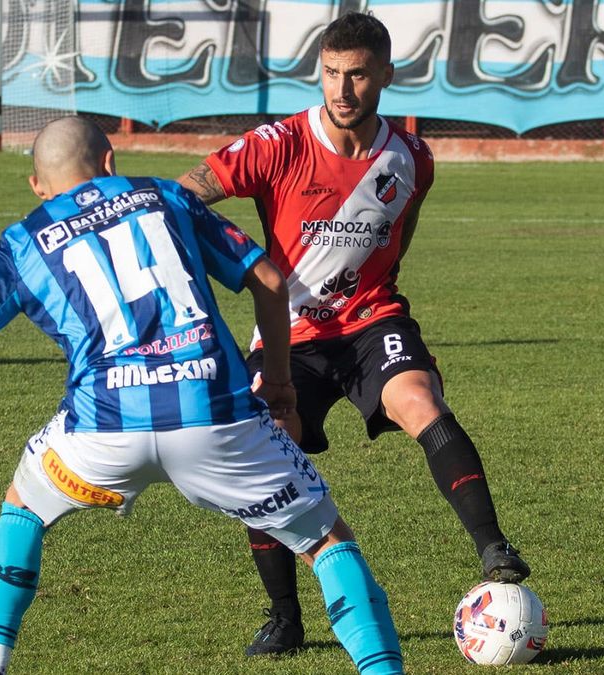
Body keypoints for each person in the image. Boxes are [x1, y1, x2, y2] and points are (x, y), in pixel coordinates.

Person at [0, 117, 404, 675]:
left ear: (37, 185)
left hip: (102, 431)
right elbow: (272, 282)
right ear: (111, 162)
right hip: (215, 417)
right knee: (327, 541)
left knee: (24, 507)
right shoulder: (164, 197)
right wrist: (279, 382)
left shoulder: (20, 242)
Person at [177, 12, 531, 657]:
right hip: (290, 337)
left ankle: (493, 547)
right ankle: (285, 615)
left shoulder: (412, 159)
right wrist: (240, 264)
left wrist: (378, 291)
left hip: (372, 320)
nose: (341, 90)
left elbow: (400, 235)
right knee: (268, 453)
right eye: (331, 74)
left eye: (357, 75)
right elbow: (183, 199)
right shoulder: (275, 144)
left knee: (420, 401)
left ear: (386, 76)